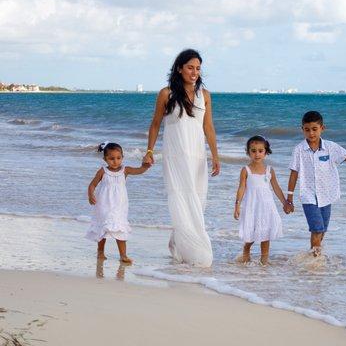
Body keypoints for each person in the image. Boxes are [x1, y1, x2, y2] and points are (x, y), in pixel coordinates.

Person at [143, 49, 220, 266]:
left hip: (197, 157)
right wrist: (149, 151)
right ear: (179, 68)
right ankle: (197, 253)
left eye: (197, 68)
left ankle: (177, 243)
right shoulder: (166, 94)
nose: (194, 72)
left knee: (197, 200)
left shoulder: (204, 95)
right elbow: (156, 124)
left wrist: (215, 155)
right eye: (190, 67)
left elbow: (209, 127)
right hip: (175, 157)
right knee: (181, 198)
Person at [286, 111, 346, 257]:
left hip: (327, 195)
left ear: (322, 128)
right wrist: (289, 198)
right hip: (308, 196)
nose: (311, 133)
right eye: (307, 130)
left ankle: (313, 256)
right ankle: (315, 261)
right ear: (302, 129)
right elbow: (294, 173)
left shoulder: (331, 147)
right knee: (317, 229)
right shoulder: (299, 150)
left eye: (314, 129)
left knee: (322, 230)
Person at [86, 142, 150, 264]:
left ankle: (123, 255)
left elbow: (139, 170)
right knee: (103, 229)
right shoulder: (103, 171)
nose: (115, 161)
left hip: (119, 206)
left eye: (118, 158)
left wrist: (146, 165)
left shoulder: (125, 170)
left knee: (120, 230)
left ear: (122, 157)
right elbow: (92, 184)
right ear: (105, 159)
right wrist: (90, 194)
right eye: (111, 158)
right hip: (104, 205)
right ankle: (100, 252)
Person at [234, 136, 290, 265]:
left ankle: (264, 261)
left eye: (260, 151)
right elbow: (241, 188)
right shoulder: (245, 170)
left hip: (266, 206)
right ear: (248, 152)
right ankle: (246, 249)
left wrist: (285, 202)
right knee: (251, 232)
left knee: (266, 232)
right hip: (252, 206)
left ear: (266, 152)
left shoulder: (269, 170)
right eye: (253, 151)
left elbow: (276, 187)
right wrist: (237, 205)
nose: (257, 154)